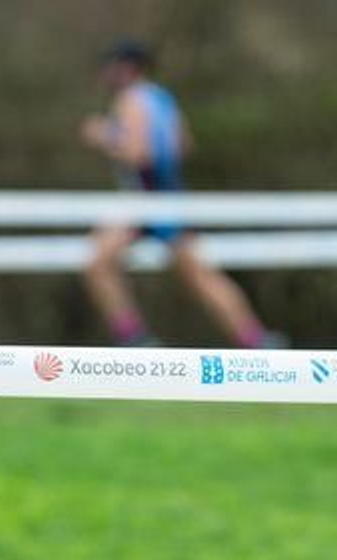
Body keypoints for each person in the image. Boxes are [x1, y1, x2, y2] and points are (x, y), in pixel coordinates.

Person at [78, 39, 282, 349]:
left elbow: (138, 154)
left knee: (97, 263)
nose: (104, 73)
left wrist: (103, 135)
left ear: (126, 68)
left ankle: (132, 336)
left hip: (146, 201)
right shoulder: (162, 99)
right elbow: (182, 146)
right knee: (200, 276)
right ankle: (255, 339)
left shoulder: (129, 101)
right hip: (171, 197)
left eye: (109, 66)